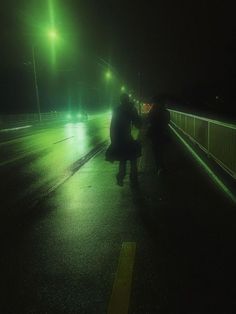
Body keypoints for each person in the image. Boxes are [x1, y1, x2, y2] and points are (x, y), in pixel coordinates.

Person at [105, 93, 142, 186]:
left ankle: (121, 176)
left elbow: (112, 126)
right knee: (133, 159)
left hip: (119, 139)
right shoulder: (131, 109)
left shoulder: (117, 110)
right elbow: (137, 124)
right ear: (128, 99)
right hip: (127, 138)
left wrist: (113, 140)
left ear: (120, 100)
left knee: (123, 159)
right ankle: (133, 178)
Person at [147, 95, 170, 174]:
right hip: (162, 133)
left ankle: (159, 167)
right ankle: (162, 166)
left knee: (156, 151)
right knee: (162, 150)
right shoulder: (164, 111)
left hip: (154, 133)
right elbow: (167, 120)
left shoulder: (152, 111)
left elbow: (149, 120)